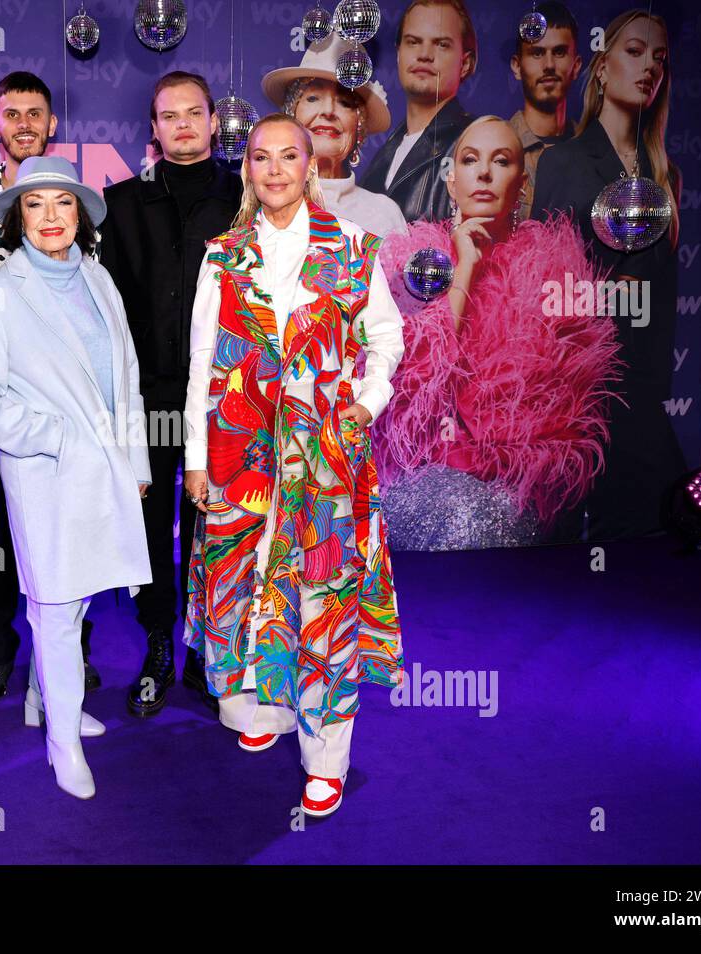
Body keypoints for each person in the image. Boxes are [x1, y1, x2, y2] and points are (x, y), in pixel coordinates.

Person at [183, 114, 405, 818]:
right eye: (260, 158)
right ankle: (263, 711)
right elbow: (199, 365)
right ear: (246, 168)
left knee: (323, 598)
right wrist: (194, 458)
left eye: (289, 156)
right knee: (243, 585)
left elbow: (387, 340)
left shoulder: (353, 248)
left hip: (326, 459)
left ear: (311, 165)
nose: (274, 169)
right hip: (239, 453)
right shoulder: (223, 255)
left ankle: (326, 755)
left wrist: (365, 407)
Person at [0, 156, 152, 800]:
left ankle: (45, 702)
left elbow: (127, 378)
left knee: (83, 593)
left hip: (108, 472)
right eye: (34, 205)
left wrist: (137, 462)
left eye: (61, 204)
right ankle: (62, 740)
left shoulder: (99, 279)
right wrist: (54, 438)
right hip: (46, 474)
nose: (49, 217)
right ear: (18, 216)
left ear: (79, 215)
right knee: (57, 604)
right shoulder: (0, 291)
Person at [371, 116, 621, 550]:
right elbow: (404, 382)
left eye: (501, 161)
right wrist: (464, 268)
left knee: (470, 519)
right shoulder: (414, 258)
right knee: (440, 515)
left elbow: (563, 410)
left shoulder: (555, 269)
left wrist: (486, 456)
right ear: (451, 183)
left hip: (511, 480)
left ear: (521, 183)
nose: (484, 173)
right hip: (418, 469)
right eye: (470, 160)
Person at [0, 71, 99, 699]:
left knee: (66, 533)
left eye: (36, 113)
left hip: (60, 402)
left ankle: (63, 659)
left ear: (52, 122)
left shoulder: (76, 204)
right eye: (13, 114)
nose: (25, 124)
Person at [99, 71, 241, 719]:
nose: (182, 124)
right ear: (152, 129)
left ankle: (208, 654)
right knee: (152, 526)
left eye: (194, 113)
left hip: (228, 400)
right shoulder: (119, 204)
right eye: (168, 115)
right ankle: (159, 645)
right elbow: (106, 312)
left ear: (215, 121)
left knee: (221, 528)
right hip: (150, 398)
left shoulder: (246, 195)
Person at [532, 9, 684, 541]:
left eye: (659, 59)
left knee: (651, 534)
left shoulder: (665, 171)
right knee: (580, 547)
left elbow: (658, 294)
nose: (649, 69)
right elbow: (545, 278)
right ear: (601, 68)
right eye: (635, 52)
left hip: (641, 385)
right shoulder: (563, 161)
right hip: (584, 385)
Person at [261, 35, 406, 237]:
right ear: (292, 115)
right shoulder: (265, 200)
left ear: (359, 126)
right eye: (313, 98)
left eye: (345, 102)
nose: (328, 111)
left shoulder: (384, 215)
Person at [360, 0, 476, 223]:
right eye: (413, 42)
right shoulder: (385, 153)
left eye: (441, 44)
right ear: (398, 54)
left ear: (465, 63)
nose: (424, 54)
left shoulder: (476, 142)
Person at [506, 1, 580, 224]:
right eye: (537, 53)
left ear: (576, 66)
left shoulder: (594, 149)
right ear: (517, 67)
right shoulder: (496, 149)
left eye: (559, 52)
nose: (548, 65)